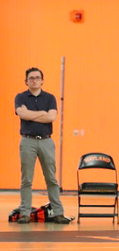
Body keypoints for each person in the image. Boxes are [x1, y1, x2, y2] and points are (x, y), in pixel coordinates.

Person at [14, 67, 70, 224]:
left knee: (51, 178)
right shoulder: (20, 97)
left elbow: (52, 117)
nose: (34, 80)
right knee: (27, 179)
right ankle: (25, 212)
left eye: (37, 78)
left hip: (46, 140)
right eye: (31, 78)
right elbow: (22, 114)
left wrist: (31, 114)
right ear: (26, 81)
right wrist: (42, 114)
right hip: (27, 141)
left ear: (42, 81)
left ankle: (58, 212)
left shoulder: (50, 98)